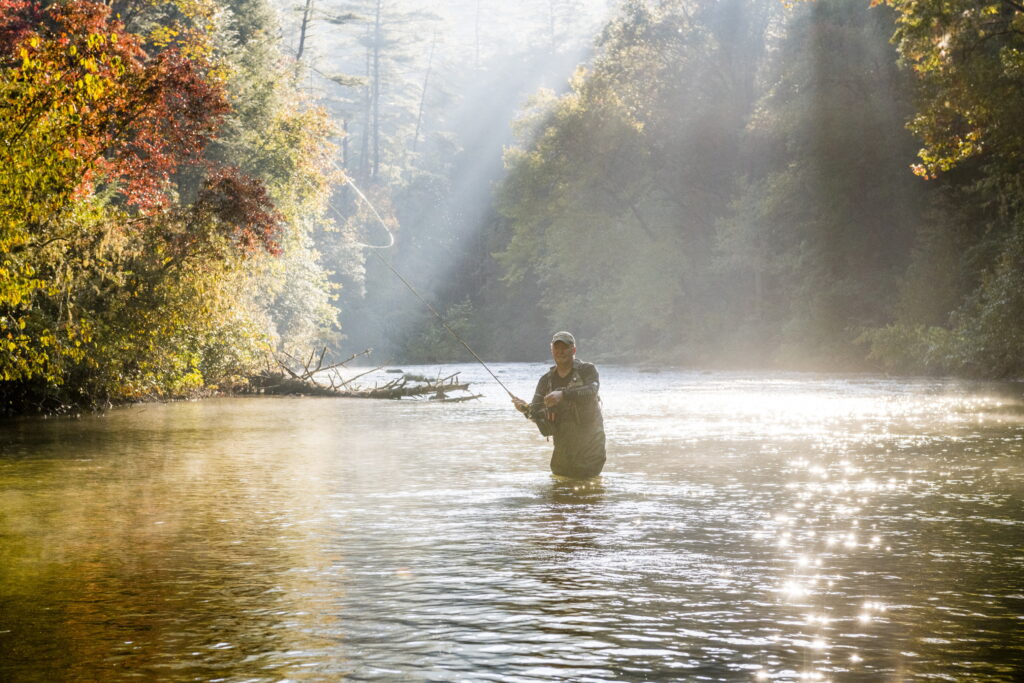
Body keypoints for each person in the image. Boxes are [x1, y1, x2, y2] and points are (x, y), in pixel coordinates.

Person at [512, 331, 606, 479]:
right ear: (552, 350)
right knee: (559, 485)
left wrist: (562, 395)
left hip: (590, 444)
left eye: (565, 348)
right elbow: (536, 412)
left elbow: (592, 390)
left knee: (587, 485)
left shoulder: (587, 370)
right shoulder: (546, 380)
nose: (560, 351)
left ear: (573, 350)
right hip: (563, 446)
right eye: (557, 348)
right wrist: (525, 409)